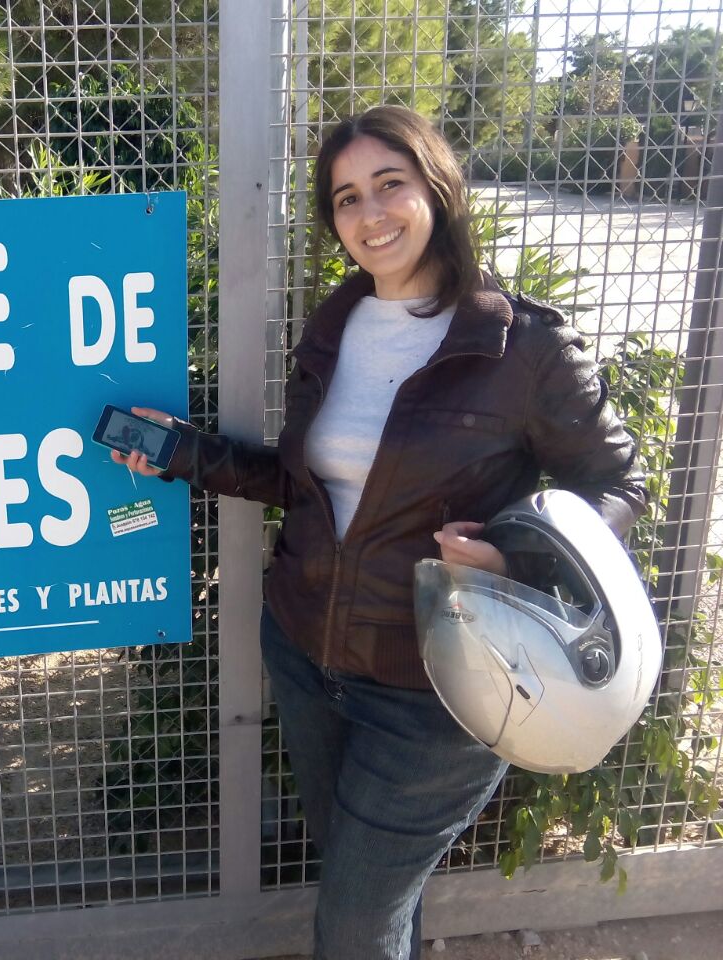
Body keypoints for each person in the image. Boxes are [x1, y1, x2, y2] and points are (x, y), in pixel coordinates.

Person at [112, 105, 645, 960]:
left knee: (355, 921)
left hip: (440, 686)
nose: (371, 215)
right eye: (347, 197)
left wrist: (516, 554)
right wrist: (182, 455)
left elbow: (618, 484)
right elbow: (302, 483)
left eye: (389, 185)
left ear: (436, 187)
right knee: (371, 892)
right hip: (307, 654)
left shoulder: (525, 348)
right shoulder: (335, 327)